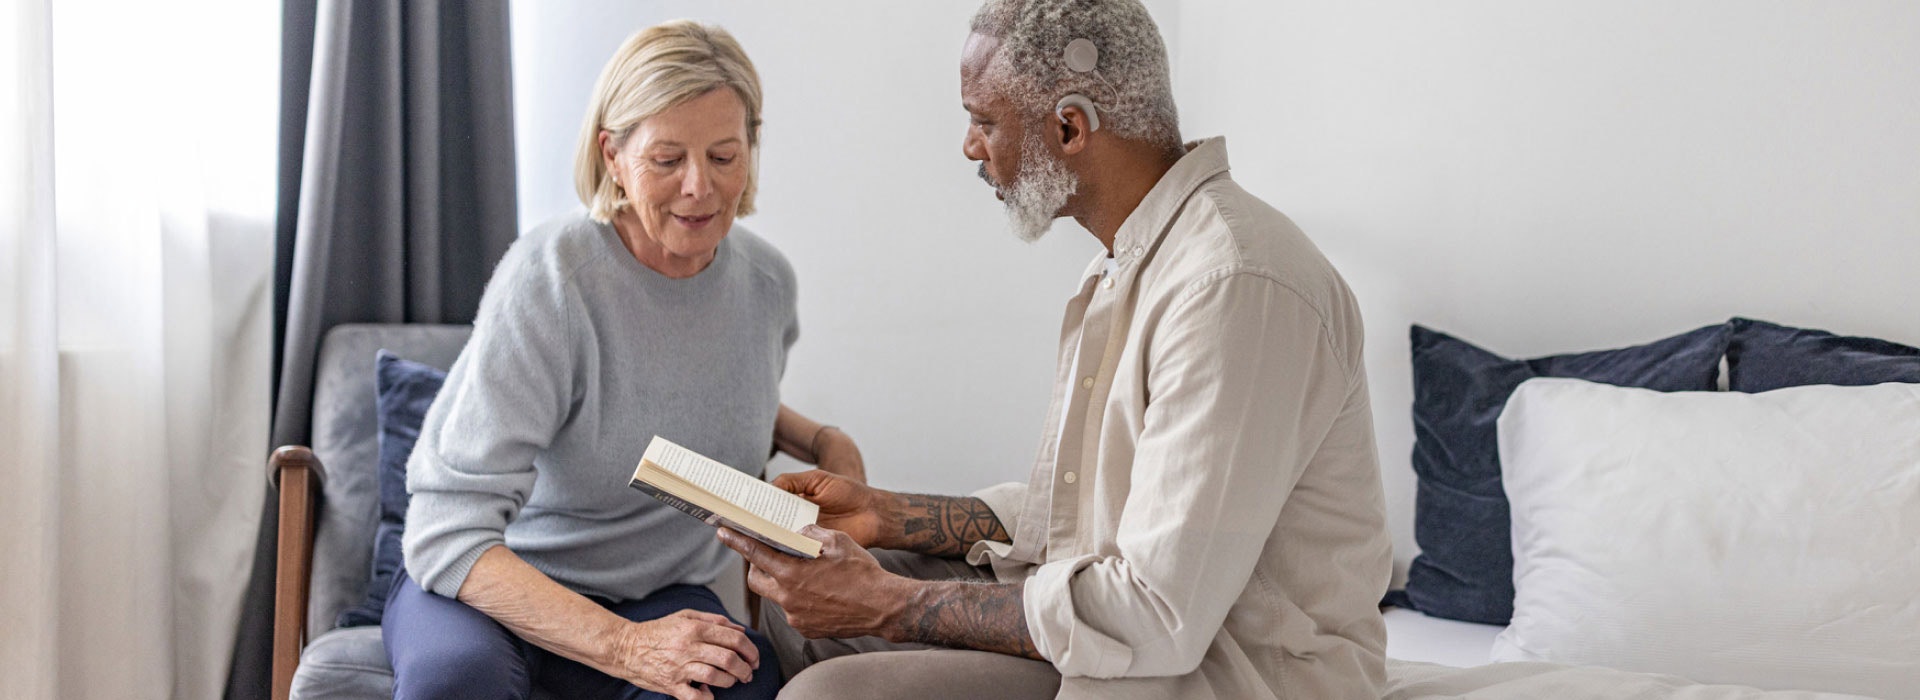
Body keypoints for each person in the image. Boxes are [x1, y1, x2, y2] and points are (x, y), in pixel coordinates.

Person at [716, 1, 1393, 698]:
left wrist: (885, 604)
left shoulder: (1233, 287)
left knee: (824, 695)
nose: (969, 146)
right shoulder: (1127, 266)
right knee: (809, 612)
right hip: (1135, 636)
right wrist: (888, 515)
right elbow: (1079, 522)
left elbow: (1154, 614)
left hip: (1217, 672)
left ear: (1069, 127)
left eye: (984, 120)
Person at [388, 21, 863, 700]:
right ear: (613, 154)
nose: (699, 186)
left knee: (743, 686)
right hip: (493, 586)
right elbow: (446, 532)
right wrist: (626, 648)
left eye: (724, 156)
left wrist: (823, 441)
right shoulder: (551, 284)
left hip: (653, 591)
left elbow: (691, 389)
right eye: (668, 159)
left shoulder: (767, 285)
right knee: (459, 684)